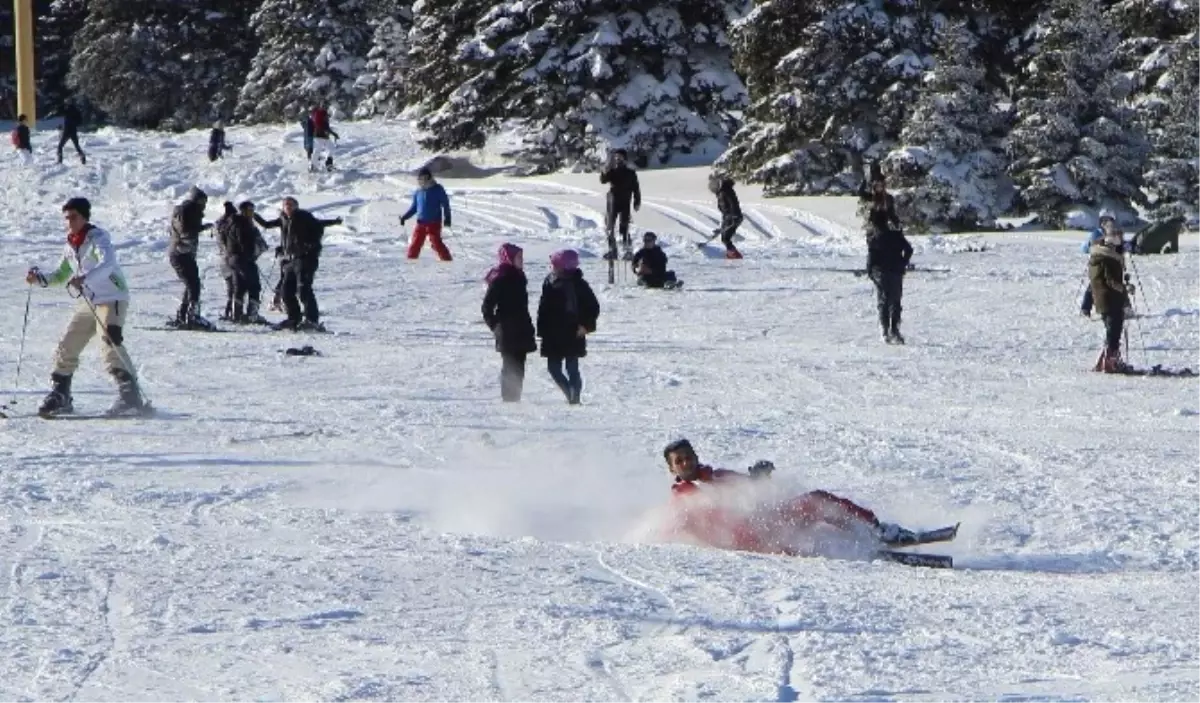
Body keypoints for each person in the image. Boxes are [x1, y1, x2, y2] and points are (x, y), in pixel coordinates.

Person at [661, 439, 917, 554]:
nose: (686, 463)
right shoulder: (684, 497)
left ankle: (874, 530)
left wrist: (758, 476)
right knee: (814, 505)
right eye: (679, 461)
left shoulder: (717, 476)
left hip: (765, 522)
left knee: (817, 500)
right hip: (752, 537)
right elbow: (681, 524)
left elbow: (750, 487)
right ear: (672, 469)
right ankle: (864, 539)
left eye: (689, 456)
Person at [25, 197, 145, 417]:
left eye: (73, 217)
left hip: (112, 296)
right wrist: (40, 278)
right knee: (68, 343)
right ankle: (61, 393)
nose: (69, 222)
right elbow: (61, 274)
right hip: (89, 300)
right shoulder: (70, 244)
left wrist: (85, 278)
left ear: (84, 217)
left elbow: (107, 264)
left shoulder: (98, 238)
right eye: (67, 218)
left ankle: (130, 396)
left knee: (109, 339)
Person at [254, 197, 342, 331]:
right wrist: (253, 214)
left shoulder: (304, 217)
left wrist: (310, 246)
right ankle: (293, 319)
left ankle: (312, 321)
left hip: (305, 259)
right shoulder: (283, 219)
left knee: (304, 290)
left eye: (290, 204)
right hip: (290, 260)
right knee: (286, 291)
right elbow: (266, 224)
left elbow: (319, 226)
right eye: (285, 205)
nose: (288, 207)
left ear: (296, 206)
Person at [537, 249, 600, 404]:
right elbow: (543, 307)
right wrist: (541, 329)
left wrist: (586, 325)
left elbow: (593, 307)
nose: (552, 267)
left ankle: (575, 398)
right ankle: (569, 392)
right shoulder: (549, 281)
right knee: (553, 368)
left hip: (573, 332)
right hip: (552, 333)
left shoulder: (579, 284)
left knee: (572, 368)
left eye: (555, 265)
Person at [482, 243, 537, 402]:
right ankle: (509, 400)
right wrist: (495, 326)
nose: (522, 260)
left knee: (520, 365)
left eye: (522, 257)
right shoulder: (501, 278)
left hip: (522, 327)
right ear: (509, 258)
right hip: (507, 329)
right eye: (519, 257)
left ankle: (515, 398)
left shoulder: (520, 276)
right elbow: (487, 306)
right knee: (510, 365)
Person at [167, 186, 214, 329]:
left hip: (180, 252)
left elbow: (184, 229)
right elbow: (185, 231)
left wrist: (202, 227)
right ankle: (191, 316)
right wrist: (198, 230)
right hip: (181, 253)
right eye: (202, 202)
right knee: (194, 285)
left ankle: (183, 315)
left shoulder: (186, 211)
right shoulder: (187, 211)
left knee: (191, 284)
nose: (204, 206)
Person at [1089, 226, 1133, 372]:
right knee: (1114, 330)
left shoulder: (1099, 255)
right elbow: (1111, 280)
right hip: (1110, 299)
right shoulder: (1107, 258)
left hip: (1103, 299)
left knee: (1111, 330)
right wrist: (1124, 288)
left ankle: (1105, 360)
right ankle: (1110, 362)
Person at [218, 201, 270, 323]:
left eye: (252, 210)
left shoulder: (231, 222)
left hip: (231, 259)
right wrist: (251, 255)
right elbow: (244, 242)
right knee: (254, 286)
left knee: (239, 287)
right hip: (242, 258)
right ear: (243, 211)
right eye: (249, 210)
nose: (251, 213)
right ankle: (252, 315)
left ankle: (237, 315)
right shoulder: (243, 224)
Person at [867, 224, 914, 344]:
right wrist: (903, 262)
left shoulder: (876, 236)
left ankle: (885, 330)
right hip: (896, 272)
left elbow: (871, 255)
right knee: (895, 302)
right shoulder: (897, 235)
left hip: (881, 272)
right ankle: (894, 330)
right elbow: (909, 249)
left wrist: (870, 271)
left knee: (884, 301)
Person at [1080, 210, 1128, 317]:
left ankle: (1125, 306)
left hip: (1113, 260)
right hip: (1099, 262)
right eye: (1104, 220)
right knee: (1095, 283)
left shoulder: (1115, 232)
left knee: (1117, 282)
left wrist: (1123, 245)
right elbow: (1090, 246)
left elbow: (1120, 245)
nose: (1107, 223)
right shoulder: (1097, 233)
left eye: (1109, 220)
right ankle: (1085, 308)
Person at [400, 167, 453, 261]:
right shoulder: (418, 192)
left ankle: (447, 260)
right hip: (421, 223)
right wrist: (405, 217)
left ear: (429, 178)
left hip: (434, 222)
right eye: (420, 178)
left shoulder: (437, 189)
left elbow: (445, 204)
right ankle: (411, 261)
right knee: (415, 243)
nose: (422, 181)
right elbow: (414, 208)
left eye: (425, 178)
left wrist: (447, 217)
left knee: (436, 242)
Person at [600, 149, 641, 260]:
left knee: (624, 226)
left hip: (625, 201)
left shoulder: (631, 173)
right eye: (616, 157)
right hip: (612, 201)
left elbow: (636, 188)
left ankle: (627, 250)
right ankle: (612, 250)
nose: (618, 159)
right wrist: (605, 170)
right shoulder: (612, 171)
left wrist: (637, 202)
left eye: (620, 157)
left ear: (625, 158)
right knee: (610, 226)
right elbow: (603, 180)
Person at [857, 165, 901, 237]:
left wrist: (897, 223)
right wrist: (866, 179)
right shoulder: (872, 197)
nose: (879, 188)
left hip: (883, 226)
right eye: (877, 186)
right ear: (875, 187)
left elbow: (891, 213)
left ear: (883, 187)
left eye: (880, 186)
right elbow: (861, 192)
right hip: (872, 227)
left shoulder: (888, 198)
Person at [214, 202, 238, 319]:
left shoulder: (218, 224)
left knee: (230, 286)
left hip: (223, 259)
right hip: (233, 258)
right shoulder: (232, 224)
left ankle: (228, 311)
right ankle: (234, 312)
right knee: (237, 286)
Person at [710, 175, 743, 259]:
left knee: (725, 238)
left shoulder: (726, 191)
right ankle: (732, 253)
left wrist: (735, 216)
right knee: (724, 237)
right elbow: (725, 211)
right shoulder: (722, 193)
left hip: (734, 217)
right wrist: (720, 227)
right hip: (729, 217)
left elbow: (733, 204)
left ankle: (735, 255)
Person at [309, 104, 339, 172]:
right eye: (324, 105)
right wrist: (330, 132)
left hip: (324, 136)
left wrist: (333, 133)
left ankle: (328, 164)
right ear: (321, 106)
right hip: (318, 135)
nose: (325, 107)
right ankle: (313, 166)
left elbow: (326, 126)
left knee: (331, 148)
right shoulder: (319, 113)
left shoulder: (324, 113)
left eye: (326, 106)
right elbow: (318, 124)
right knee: (317, 150)